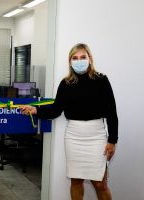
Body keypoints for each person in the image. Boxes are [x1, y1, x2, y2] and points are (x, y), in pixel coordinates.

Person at [20, 43, 118, 200]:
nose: (79, 61)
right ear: (70, 61)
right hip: (74, 137)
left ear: (90, 59)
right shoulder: (66, 84)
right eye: (75, 58)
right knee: (76, 181)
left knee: (100, 184)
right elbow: (55, 110)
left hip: (97, 136)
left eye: (83, 57)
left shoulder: (101, 80)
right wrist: (36, 110)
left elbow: (112, 111)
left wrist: (112, 140)